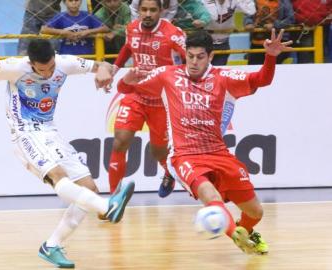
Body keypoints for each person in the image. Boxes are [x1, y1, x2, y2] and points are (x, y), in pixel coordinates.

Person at [0, 39, 135, 268]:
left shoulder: (64, 63)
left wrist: (104, 72)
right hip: (25, 133)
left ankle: (52, 245)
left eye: (50, 67)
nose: (47, 73)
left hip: (51, 132)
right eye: (41, 69)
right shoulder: (15, 67)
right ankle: (107, 207)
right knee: (59, 176)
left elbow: (101, 66)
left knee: (89, 188)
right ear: (31, 63)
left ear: (54, 59)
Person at [118, 29, 293, 254]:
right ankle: (235, 236)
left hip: (219, 152)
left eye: (200, 57)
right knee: (212, 196)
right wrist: (126, 80)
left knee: (256, 212)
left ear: (210, 56)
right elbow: (126, 89)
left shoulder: (223, 78)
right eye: (189, 56)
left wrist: (270, 57)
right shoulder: (167, 75)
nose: (193, 62)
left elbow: (262, 80)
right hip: (185, 154)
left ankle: (244, 231)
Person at [108, 0, 186, 198]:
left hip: (161, 100)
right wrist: (114, 69)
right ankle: (114, 196)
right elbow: (127, 47)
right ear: (138, 10)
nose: (148, 14)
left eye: (152, 10)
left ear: (161, 11)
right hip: (136, 94)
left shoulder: (173, 33)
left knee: (158, 151)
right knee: (120, 142)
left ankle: (168, 173)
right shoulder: (132, 28)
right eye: (144, 9)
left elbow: (189, 58)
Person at [40, 0, 109, 55]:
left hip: (88, 56)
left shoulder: (87, 16)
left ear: (81, 1)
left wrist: (88, 31)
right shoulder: (61, 16)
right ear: (64, 2)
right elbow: (43, 29)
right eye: (70, 0)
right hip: (67, 57)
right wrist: (64, 32)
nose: (74, 3)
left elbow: (105, 28)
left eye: (76, 0)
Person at [201, 0, 256, 65]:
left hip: (223, 44)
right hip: (205, 44)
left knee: (218, 70)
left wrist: (248, 22)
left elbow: (249, 11)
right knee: (203, 70)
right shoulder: (204, 2)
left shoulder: (236, 2)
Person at [244, 0, 294, 64]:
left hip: (276, 43)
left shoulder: (284, 2)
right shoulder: (254, 1)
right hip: (257, 42)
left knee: (273, 69)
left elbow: (291, 20)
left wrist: (275, 25)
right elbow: (248, 15)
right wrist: (248, 23)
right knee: (255, 69)